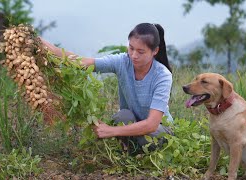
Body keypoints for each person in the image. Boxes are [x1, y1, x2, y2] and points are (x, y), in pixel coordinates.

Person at [40, 23, 174, 154]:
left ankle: (132, 147)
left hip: (158, 128)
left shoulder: (162, 76)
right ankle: (133, 148)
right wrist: (42, 44)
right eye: (131, 48)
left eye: (140, 52)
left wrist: (111, 131)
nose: (133, 55)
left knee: (151, 137)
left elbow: (151, 124)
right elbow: (83, 63)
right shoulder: (122, 61)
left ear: (155, 51)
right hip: (132, 122)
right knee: (122, 116)